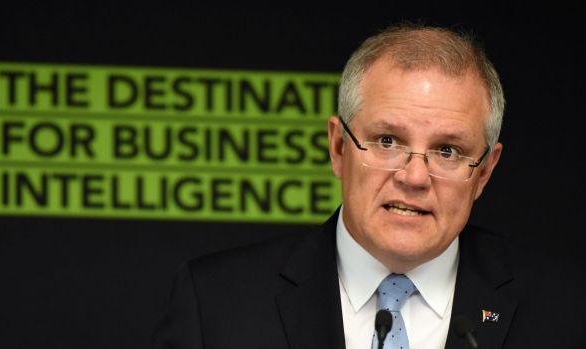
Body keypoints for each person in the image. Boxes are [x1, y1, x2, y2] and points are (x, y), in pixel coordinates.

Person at [152, 23, 586, 349]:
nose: (414, 177)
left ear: (484, 172)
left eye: (448, 151)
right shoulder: (215, 303)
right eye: (387, 141)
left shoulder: (564, 311)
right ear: (339, 148)